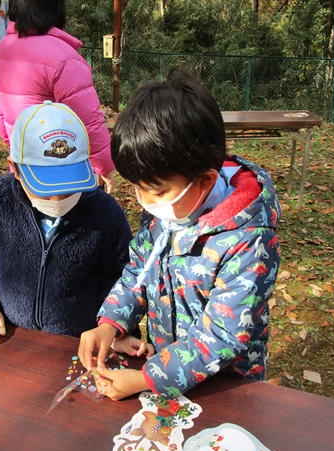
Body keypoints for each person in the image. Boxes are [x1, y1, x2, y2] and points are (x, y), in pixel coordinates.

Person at [78, 69, 282, 400]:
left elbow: (223, 336)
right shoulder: (170, 206)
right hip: (164, 362)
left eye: (154, 191)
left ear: (204, 180)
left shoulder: (248, 239)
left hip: (225, 386)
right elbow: (138, 272)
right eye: (136, 189)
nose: (144, 201)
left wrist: (148, 379)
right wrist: (110, 323)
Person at [0, 101, 133, 350]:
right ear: (15, 169)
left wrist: (111, 329)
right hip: (10, 336)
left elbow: (121, 277)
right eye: (45, 191)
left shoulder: (105, 212)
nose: (59, 201)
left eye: (69, 188)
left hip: (79, 343)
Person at [0, 0, 116, 193]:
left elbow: (0, 112)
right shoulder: (64, 57)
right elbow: (88, 121)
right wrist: (104, 166)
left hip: (25, 162)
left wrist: (12, 145)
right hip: (64, 168)